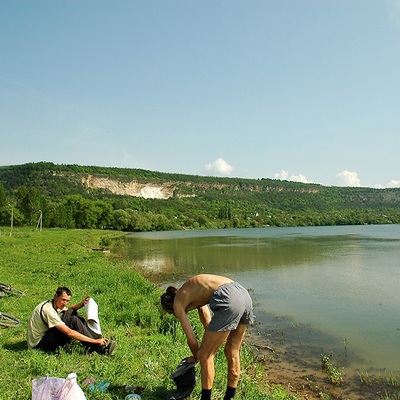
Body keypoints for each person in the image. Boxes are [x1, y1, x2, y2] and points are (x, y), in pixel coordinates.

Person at [160, 274, 254, 400]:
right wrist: (212, 338)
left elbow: (192, 341)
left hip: (229, 296)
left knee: (206, 355)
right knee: (232, 351)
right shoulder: (192, 292)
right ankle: (229, 397)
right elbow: (207, 319)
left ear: (171, 306)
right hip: (244, 295)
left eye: (172, 313)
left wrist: (196, 357)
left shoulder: (178, 303)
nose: (175, 315)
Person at [27, 286, 115, 355]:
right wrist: (94, 341)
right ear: (55, 296)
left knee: (73, 313)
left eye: (67, 301)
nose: (64, 303)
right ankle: (99, 349)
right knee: (73, 320)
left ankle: (93, 339)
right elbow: (69, 332)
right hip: (39, 345)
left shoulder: (52, 303)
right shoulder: (48, 311)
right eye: (63, 300)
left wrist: (82, 304)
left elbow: (69, 309)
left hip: (45, 336)